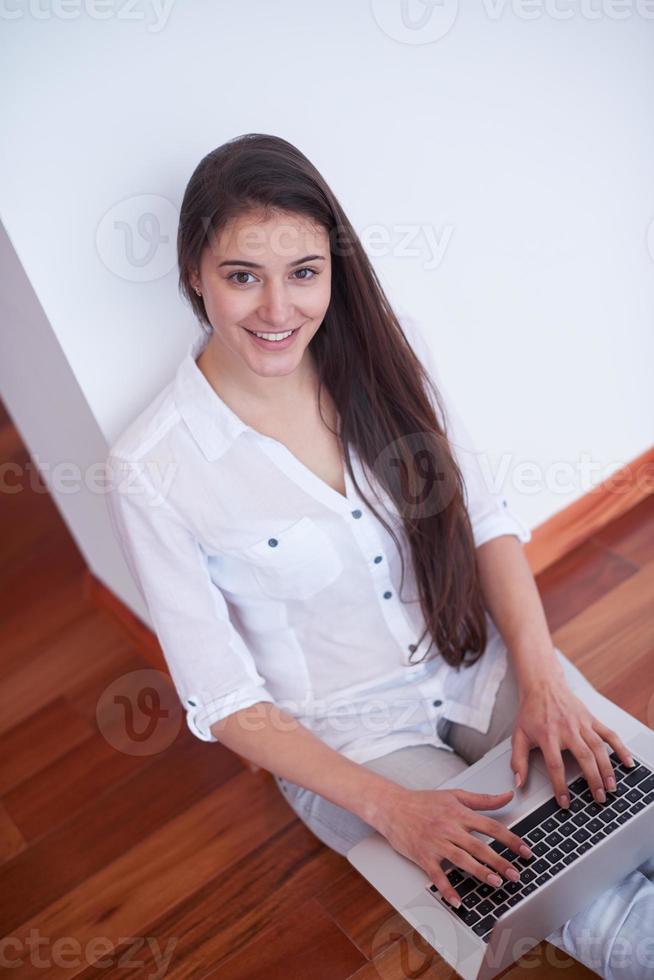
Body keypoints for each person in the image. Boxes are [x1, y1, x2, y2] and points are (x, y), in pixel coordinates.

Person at [105, 134, 654, 979]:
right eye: (242, 275)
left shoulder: (388, 353)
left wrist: (543, 680)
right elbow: (220, 699)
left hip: (478, 658)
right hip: (351, 743)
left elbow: (483, 516)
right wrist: (390, 810)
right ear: (193, 272)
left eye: (304, 271)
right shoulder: (153, 468)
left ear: (335, 267)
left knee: (631, 808)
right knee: (590, 905)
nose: (277, 308)